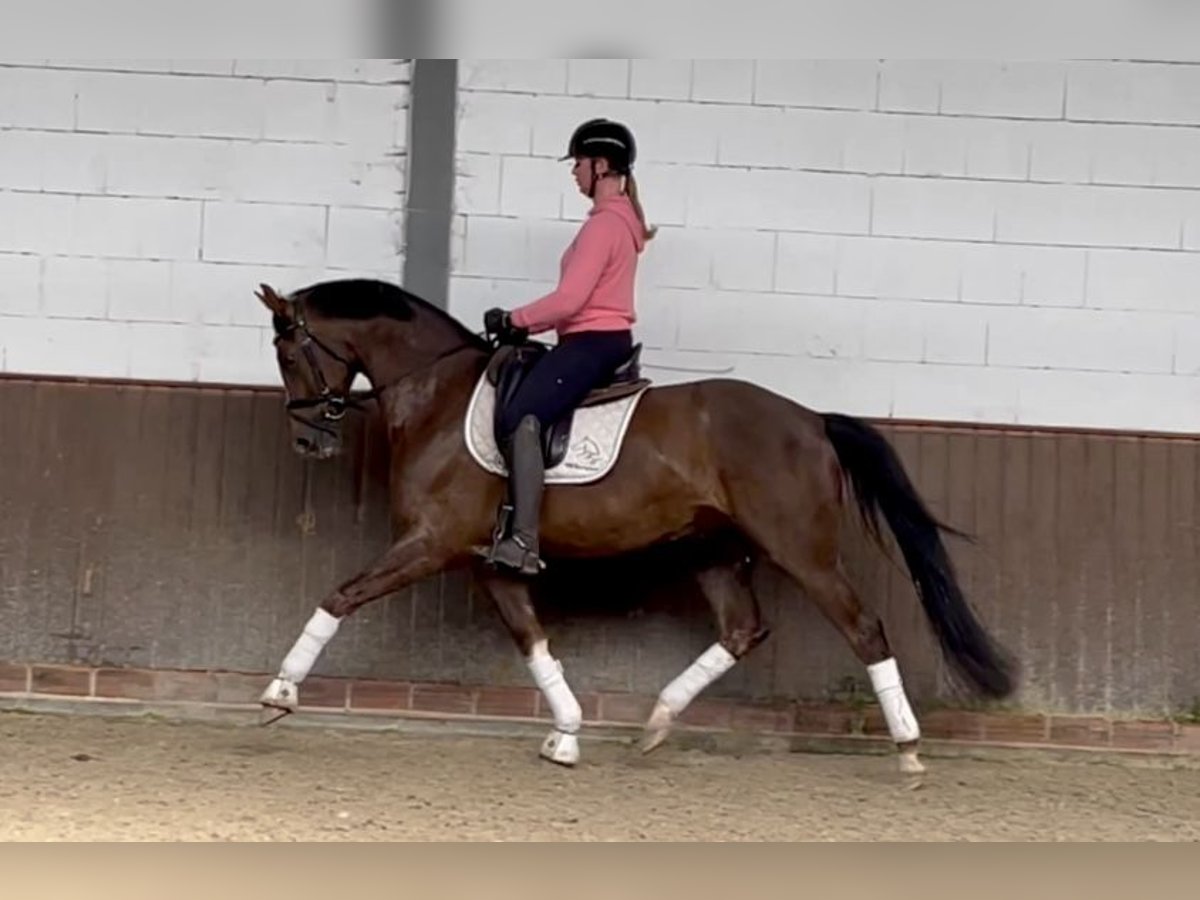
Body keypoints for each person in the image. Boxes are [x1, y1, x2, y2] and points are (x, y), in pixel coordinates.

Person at [481, 117, 657, 576]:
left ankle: (522, 540)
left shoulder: (604, 226)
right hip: (596, 339)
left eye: (578, 162)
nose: (573, 171)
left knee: (523, 415)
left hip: (592, 343)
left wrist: (513, 320)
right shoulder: (619, 222)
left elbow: (570, 300)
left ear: (600, 166)